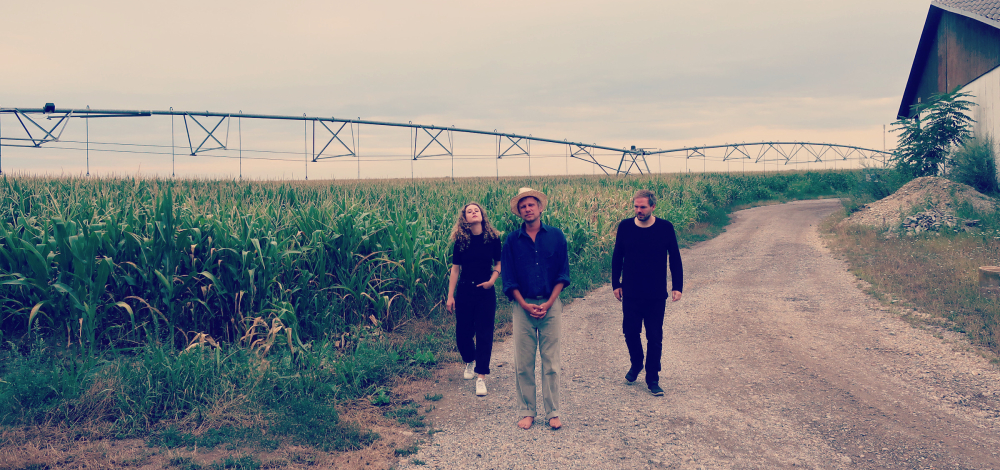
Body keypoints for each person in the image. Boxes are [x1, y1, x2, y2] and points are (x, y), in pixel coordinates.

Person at [500, 187, 571, 430]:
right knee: (523, 363)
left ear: (540, 208)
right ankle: (527, 411)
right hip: (523, 306)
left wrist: (549, 303)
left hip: (551, 305)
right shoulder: (512, 240)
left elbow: (563, 273)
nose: (527, 209)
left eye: (531, 205)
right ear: (519, 212)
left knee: (551, 362)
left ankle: (553, 412)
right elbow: (509, 278)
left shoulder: (556, 236)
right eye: (523, 206)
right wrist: (524, 304)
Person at [611, 189, 683, 397]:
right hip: (631, 291)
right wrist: (616, 283)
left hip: (655, 293)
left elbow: (675, 257)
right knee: (630, 332)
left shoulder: (665, 228)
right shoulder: (625, 227)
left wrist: (677, 286)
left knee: (654, 336)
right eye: (636, 206)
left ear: (653, 207)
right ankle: (636, 363)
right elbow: (617, 257)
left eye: (643, 207)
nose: (638, 210)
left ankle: (652, 378)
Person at [446, 202, 502, 397]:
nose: (473, 213)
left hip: (486, 292)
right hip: (464, 291)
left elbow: (498, 264)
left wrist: (492, 281)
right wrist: (450, 296)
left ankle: (481, 377)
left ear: (482, 215)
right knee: (463, 334)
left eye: (476, 210)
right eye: (469, 211)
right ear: (465, 218)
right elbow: (455, 270)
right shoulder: (461, 241)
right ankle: (470, 360)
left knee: (485, 333)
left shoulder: (493, 238)